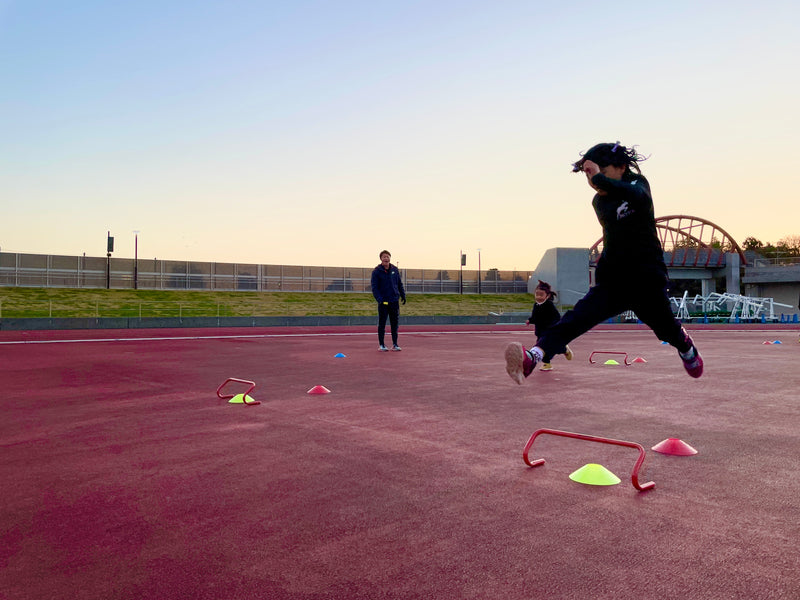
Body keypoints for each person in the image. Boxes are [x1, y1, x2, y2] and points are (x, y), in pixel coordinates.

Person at [504, 142, 703, 384]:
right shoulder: (600, 202)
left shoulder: (638, 185)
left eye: (600, 173)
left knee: (666, 329)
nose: (594, 183)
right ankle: (533, 357)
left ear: (620, 167)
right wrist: (601, 178)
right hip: (615, 282)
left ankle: (686, 347)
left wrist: (599, 178)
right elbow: (617, 232)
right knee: (576, 319)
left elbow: (638, 199)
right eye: (588, 177)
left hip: (646, 280)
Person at [526, 280, 573, 371]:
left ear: (547, 296)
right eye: (537, 294)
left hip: (549, 331)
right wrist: (530, 320)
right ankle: (547, 363)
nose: (538, 297)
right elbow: (534, 316)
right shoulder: (536, 305)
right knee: (542, 347)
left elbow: (557, 316)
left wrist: (555, 326)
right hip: (540, 331)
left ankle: (564, 350)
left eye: (541, 295)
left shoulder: (549, 305)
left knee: (550, 347)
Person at [371, 250, 406, 351]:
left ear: (390, 258)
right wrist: (379, 299)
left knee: (394, 324)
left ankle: (395, 344)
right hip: (383, 302)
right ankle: (381, 345)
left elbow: (399, 284)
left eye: (387, 256)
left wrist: (402, 295)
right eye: (384, 257)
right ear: (381, 259)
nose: (386, 258)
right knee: (382, 323)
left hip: (394, 301)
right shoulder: (377, 271)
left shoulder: (394, 269)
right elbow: (374, 287)